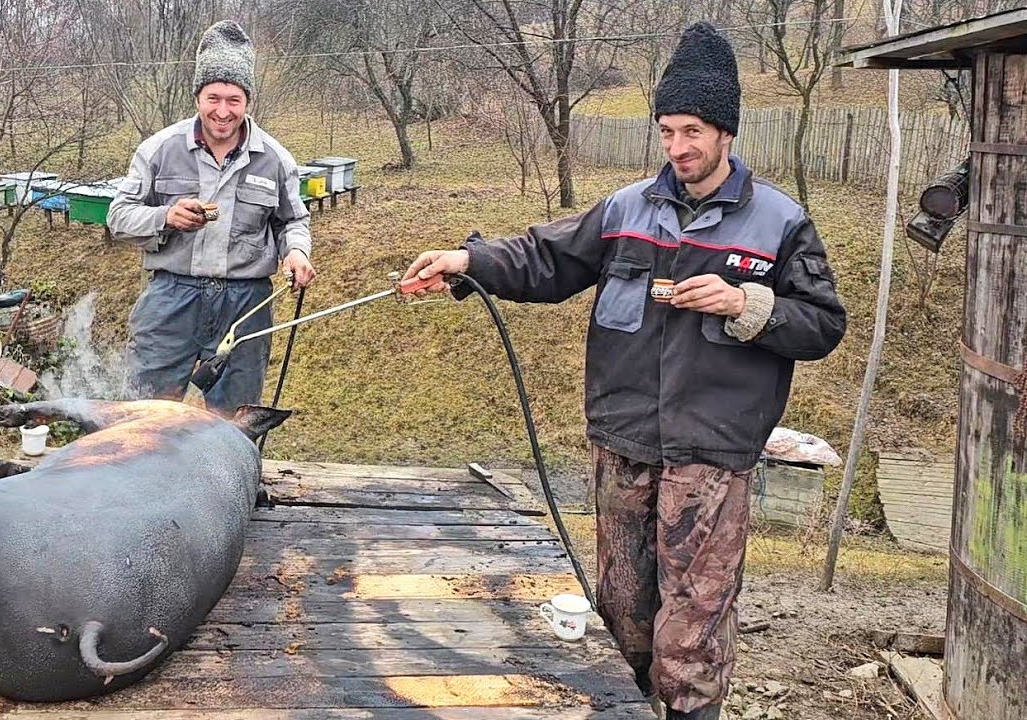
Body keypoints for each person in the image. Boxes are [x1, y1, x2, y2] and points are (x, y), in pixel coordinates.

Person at [402, 22, 846, 720]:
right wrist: (468, 262)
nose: (678, 148)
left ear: (726, 130)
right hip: (624, 445)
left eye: (692, 130)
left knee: (693, 625)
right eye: (666, 131)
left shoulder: (778, 222)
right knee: (622, 613)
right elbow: (546, 261)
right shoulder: (627, 209)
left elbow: (823, 325)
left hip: (710, 454)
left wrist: (744, 303)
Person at [108, 20, 315, 414]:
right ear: (197, 96)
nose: (222, 111)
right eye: (213, 97)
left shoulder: (276, 159)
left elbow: (293, 221)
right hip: (171, 298)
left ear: (248, 101)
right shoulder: (159, 150)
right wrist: (166, 217)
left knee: (233, 421)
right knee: (145, 415)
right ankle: (149, 477)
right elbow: (118, 218)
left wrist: (297, 253)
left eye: (234, 100)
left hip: (245, 305)